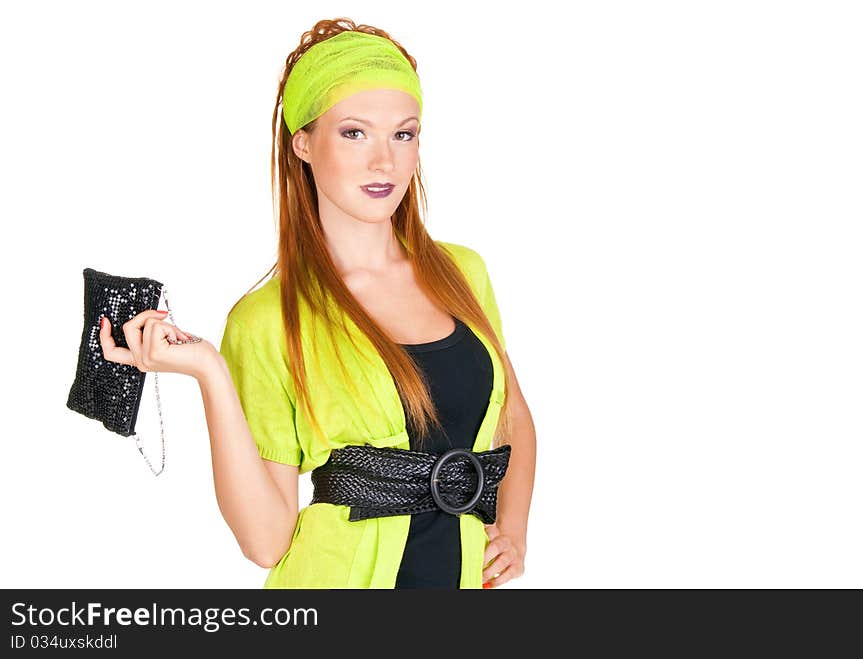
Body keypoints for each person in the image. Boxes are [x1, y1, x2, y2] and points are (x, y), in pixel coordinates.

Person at [98, 17, 536, 589]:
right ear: (303, 142)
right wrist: (210, 372)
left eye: (403, 134)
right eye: (354, 133)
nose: (384, 161)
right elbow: (265, 541)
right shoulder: (265, 321)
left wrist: (514, 529)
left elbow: (513, 417)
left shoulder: (462, 272)